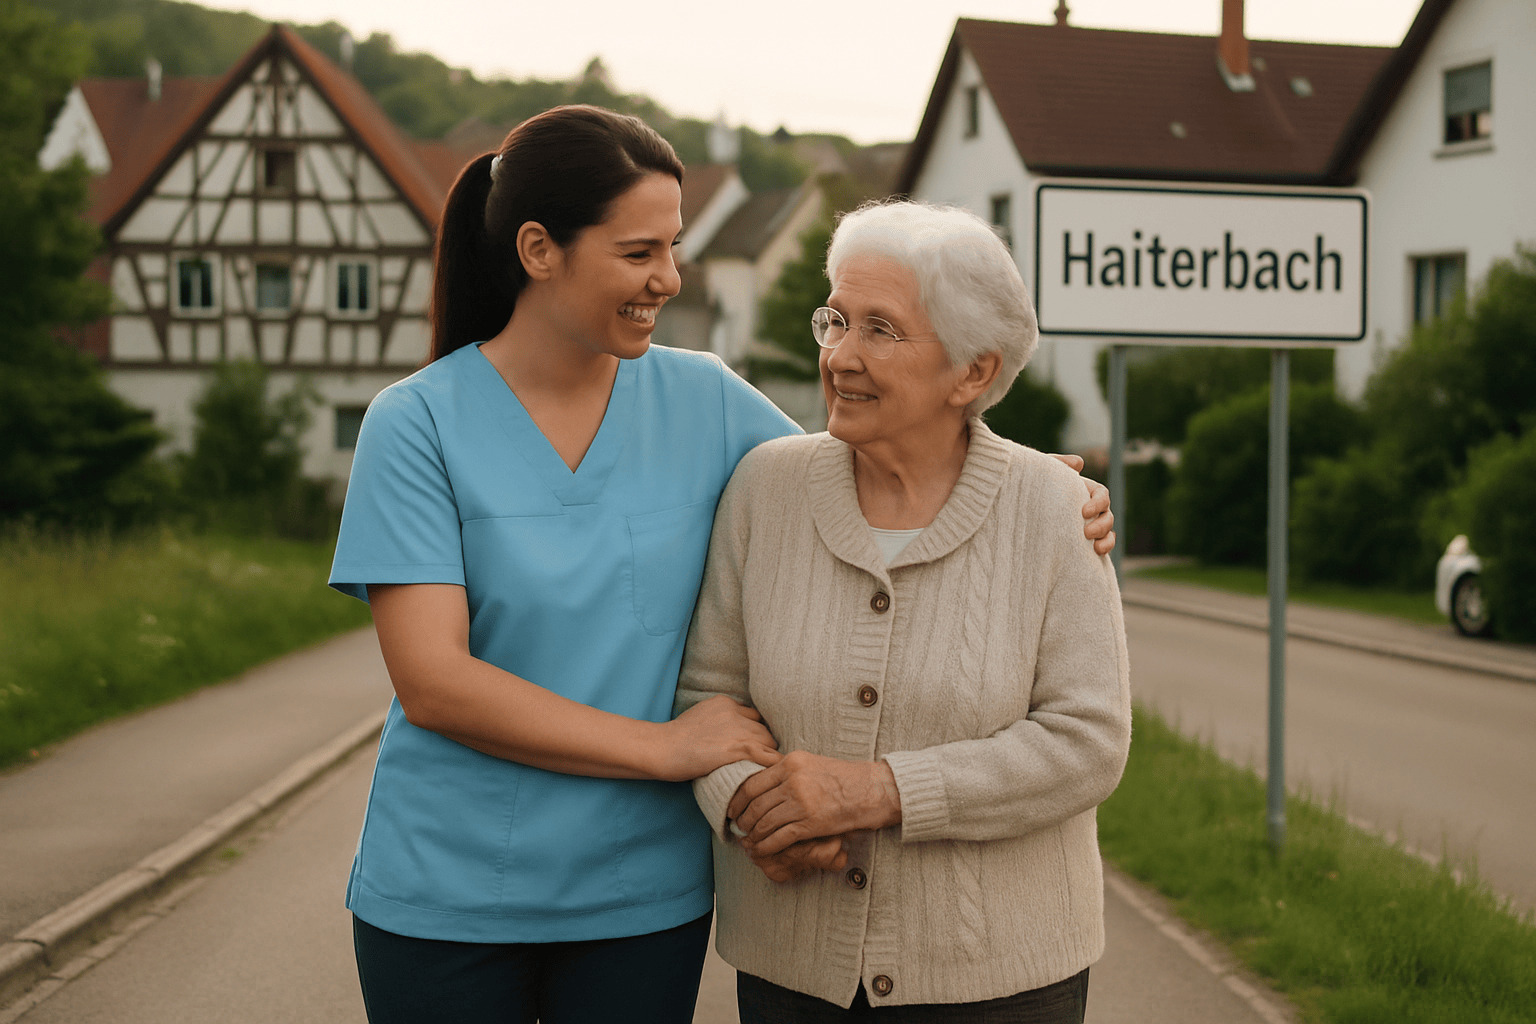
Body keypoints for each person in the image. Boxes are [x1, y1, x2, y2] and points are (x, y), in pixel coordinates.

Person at [329, 105, 1116, 1024]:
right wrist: (667, 747)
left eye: (674, 247)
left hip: (637, 897)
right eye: (637, 253)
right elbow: (433, 682)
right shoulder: (415, 422)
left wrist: (1033, 483)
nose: (667, 278)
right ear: (539, 250)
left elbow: (874, 466)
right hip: (449, 890)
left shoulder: (702, 398)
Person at [677, 200, 1133, 1023]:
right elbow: (706, 697)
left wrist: (878, 792)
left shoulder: (1054, 510)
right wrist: (755, 816)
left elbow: (1087, 742)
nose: (840, 356)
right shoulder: (762, 490)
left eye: (880, 330)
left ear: (972, 373)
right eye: (837, 320)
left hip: (999, 982)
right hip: (793, 973)